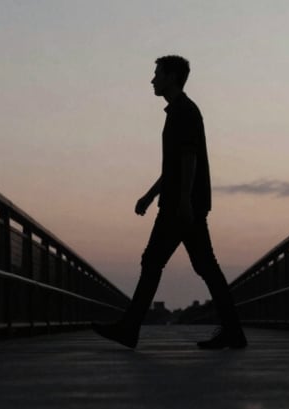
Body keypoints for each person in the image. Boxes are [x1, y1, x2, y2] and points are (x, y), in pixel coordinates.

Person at [92, 55, 247, 350]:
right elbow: (174, 166)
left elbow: (189, 158)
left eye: (157, 74)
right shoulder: (179, 111)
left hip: (180, 205)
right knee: (204, 266)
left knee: (154, 261)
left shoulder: (184, 112)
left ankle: (129, 328)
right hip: (182, 202)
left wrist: (184, 201)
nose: (152, 80)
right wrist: (150, 196)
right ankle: (233, 332)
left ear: (172, 77)